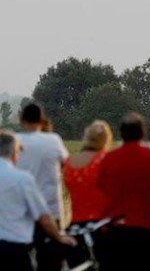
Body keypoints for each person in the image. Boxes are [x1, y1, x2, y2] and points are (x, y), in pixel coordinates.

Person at [97, 113, 150, 271]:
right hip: (147, 228)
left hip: (116, 228)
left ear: (121, 133)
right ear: (142, 133)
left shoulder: (109, 158)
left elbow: (102, 186)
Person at [0, 132, 76, 270]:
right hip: (13, 249)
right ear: (14, 152)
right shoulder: (22, 179)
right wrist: (59, 237)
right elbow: (44, 217)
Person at [17, 103, 69, 270]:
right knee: (51, 263)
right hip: (51, 211)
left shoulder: (15, 141)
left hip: (22, 212)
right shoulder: (54, 140)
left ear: (21, 121)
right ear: (42, 120)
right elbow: (66, 165)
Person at [63, 120, 113, 225]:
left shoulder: (69, 162)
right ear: (106, 139)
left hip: (76, 224)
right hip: (102, 224)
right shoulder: (106, 160)